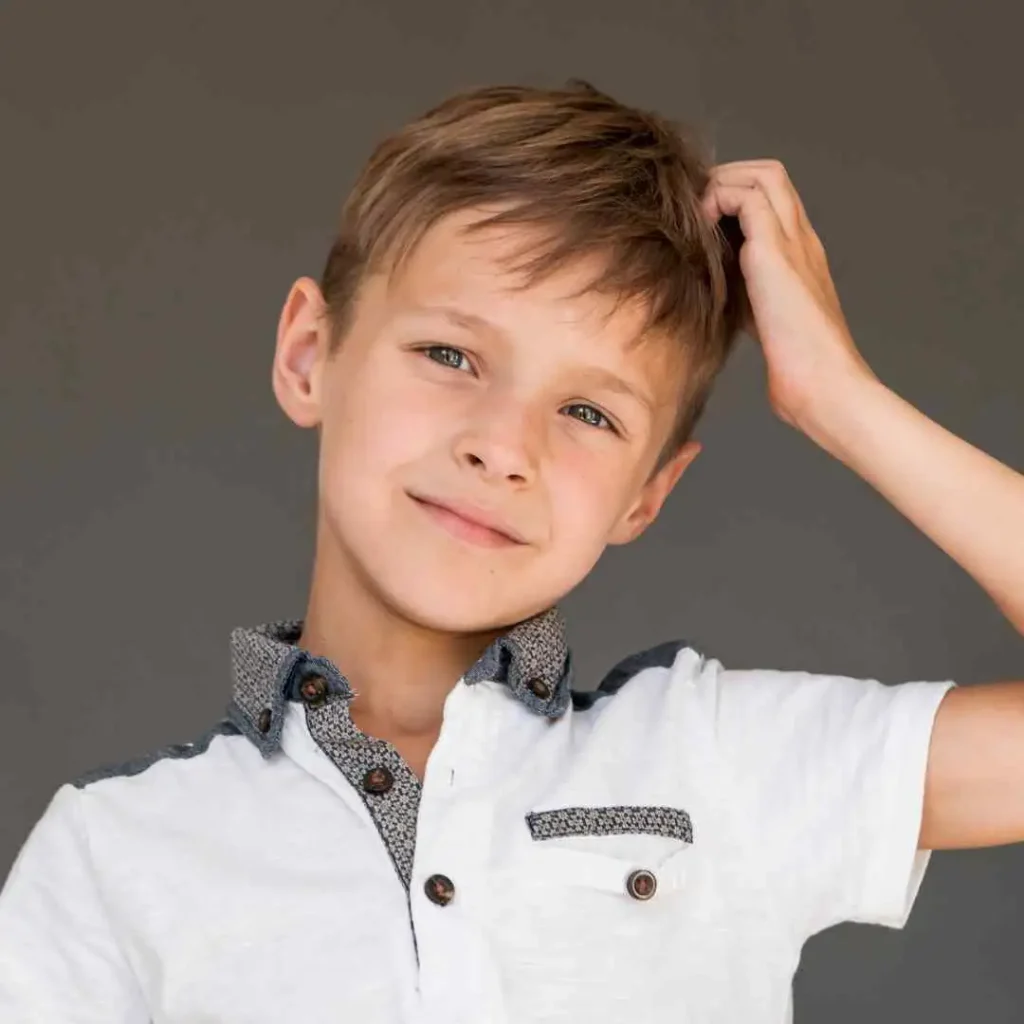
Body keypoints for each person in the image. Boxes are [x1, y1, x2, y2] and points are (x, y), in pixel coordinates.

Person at [0, 80, 1021, 1024]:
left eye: (587, 411)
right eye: (450, 355)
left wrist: (840, 400)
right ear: (311, 355)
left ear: (648, 494)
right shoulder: (117, 851)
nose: (504, 445)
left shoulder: (715, 761)